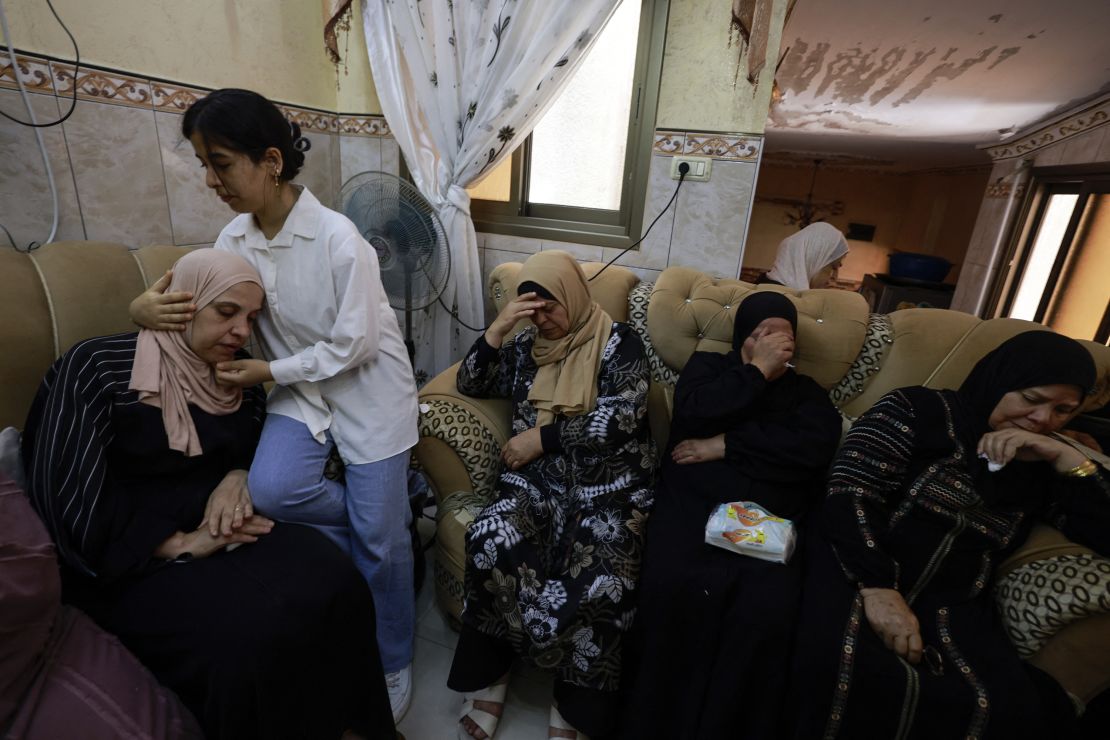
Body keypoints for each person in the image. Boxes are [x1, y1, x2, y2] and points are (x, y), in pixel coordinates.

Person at [22, 249, 396, 740]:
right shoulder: (97, 369)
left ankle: (357, 726)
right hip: (127, 552)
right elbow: (63, 494)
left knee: (336, 580)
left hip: (222, 522)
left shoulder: (239, 375)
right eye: (226, 312)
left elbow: (258, 433)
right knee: (246, 638)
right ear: (185, 304)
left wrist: (240, 473)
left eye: (251, 318)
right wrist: (175, 545)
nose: (242, 330)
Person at [129, 88, 419, 720]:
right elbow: (196, 305)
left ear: (270, 160)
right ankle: (385, 522)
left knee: (381, 542)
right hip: (299, 390)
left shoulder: (342, 240)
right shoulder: (233, 237)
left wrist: (268, 369)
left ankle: (392, 656)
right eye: (204, 163)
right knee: (278, 492)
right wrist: (139, 308)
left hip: (370, 391)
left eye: (221, 163)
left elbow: (357, 343)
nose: (210, 180)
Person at [790, 330, 1110, 739]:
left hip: (952, 607)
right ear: (999, 379)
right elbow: (851, 491)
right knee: (836, 667)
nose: (1044, 420)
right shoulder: (916, 409)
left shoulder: (1041, 461)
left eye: (1064, 410)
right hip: (853, 571)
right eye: (1031, 400)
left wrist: (1068, 458)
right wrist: (878, 588)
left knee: (1002, 708)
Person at [447, 250, 655, 740]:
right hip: (538, 482)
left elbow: (623, 417)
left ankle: (573, 698)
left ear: (573, 296)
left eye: (549, 306)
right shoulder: (524, 345)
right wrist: (498, 330)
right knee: (490, 539)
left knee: (606, 578)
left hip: (610, 486)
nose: (541, 318)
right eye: (531, 308)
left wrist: (542, 437)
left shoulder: (620, 344)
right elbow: (470, 381)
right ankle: (493, 673)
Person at [621, 292, 842, 739]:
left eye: (784, 334)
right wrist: (757, 372)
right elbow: (695, 415)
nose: (775, 341)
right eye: (763, 332)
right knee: (673, 588)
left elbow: (811, 450)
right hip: (693, 512)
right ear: (743, 336)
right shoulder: (709, 371)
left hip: (772, 524)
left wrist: (727, 445)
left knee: (767, 610)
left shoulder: (806, 393)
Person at [756, 222, 849, 290]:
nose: (835, 277)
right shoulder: (774, 301)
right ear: (812, 260)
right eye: (833, 267)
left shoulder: (769, 290)